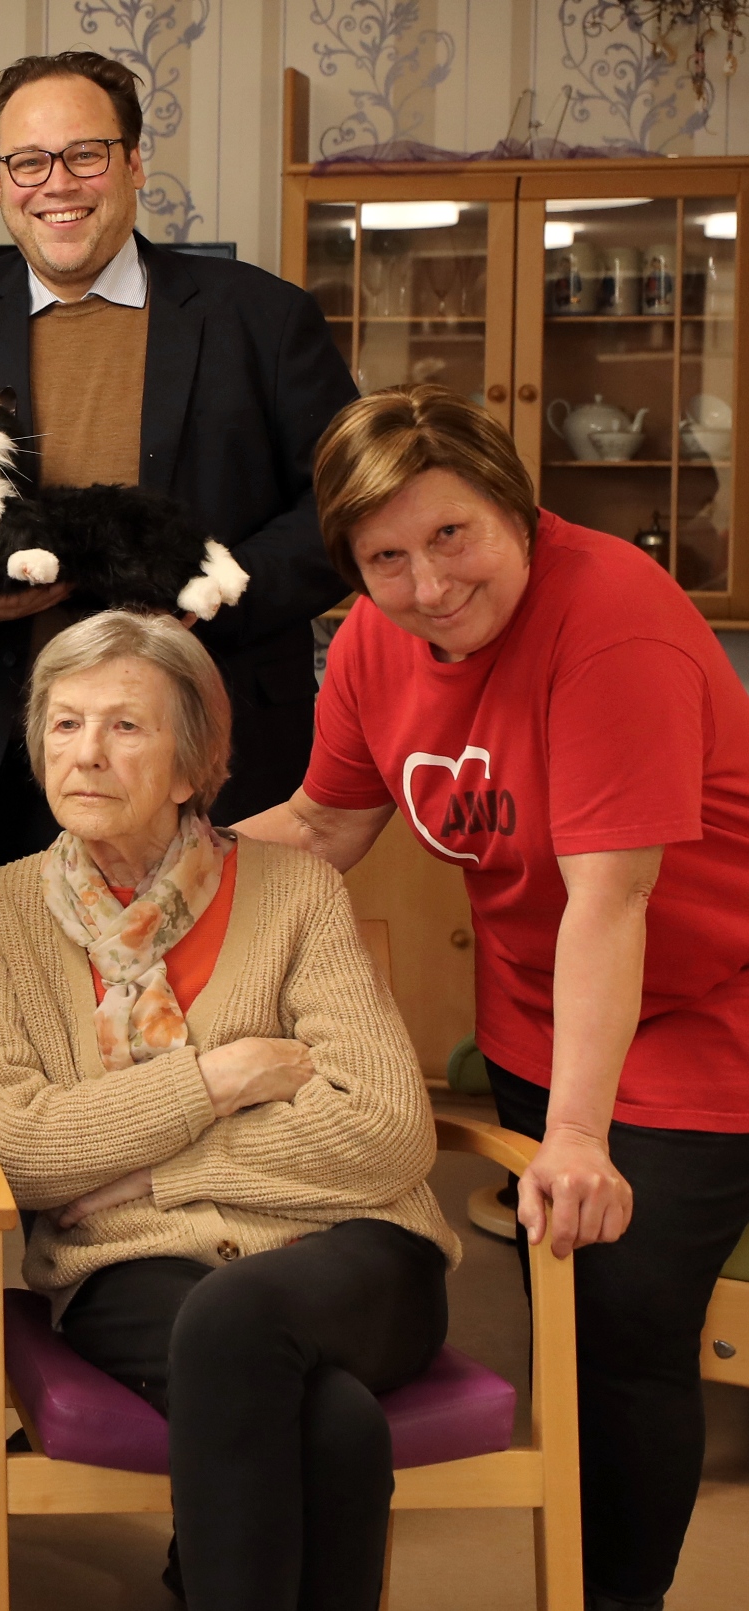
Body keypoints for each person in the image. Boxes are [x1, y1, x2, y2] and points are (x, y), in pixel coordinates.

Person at [238, 385, 749, 1611]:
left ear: (516, 507)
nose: (425, 584)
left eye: (451, 535)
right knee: (564, 1335)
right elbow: (322, 822)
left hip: (702, 1007)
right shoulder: (376, 639)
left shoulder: (609, 623)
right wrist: (141, 870)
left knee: (625, 1340)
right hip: (544, 1003)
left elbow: (609, 903)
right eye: (385, 558)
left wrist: (575, 1134)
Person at [0, 608, 458, 1611]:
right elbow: (21, 1152)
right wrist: (216, 1079)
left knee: (239, 1317)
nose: (84, 754)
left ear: (192, 766)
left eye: (124, 727)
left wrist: (152, 1171)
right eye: (62, 724)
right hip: (133, 1271)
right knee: (333, 1425)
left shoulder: (296, 893)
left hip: (356, 1251)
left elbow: (387, 1129)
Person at [0, 49, 356, 883]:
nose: (57, 183)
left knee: (215, 1006)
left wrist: (205, 599)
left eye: (86, 155)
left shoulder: (263, 318)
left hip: (207, 748)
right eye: (27, 162)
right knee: (8, 1003)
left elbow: (344, 514)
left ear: (134, 161)